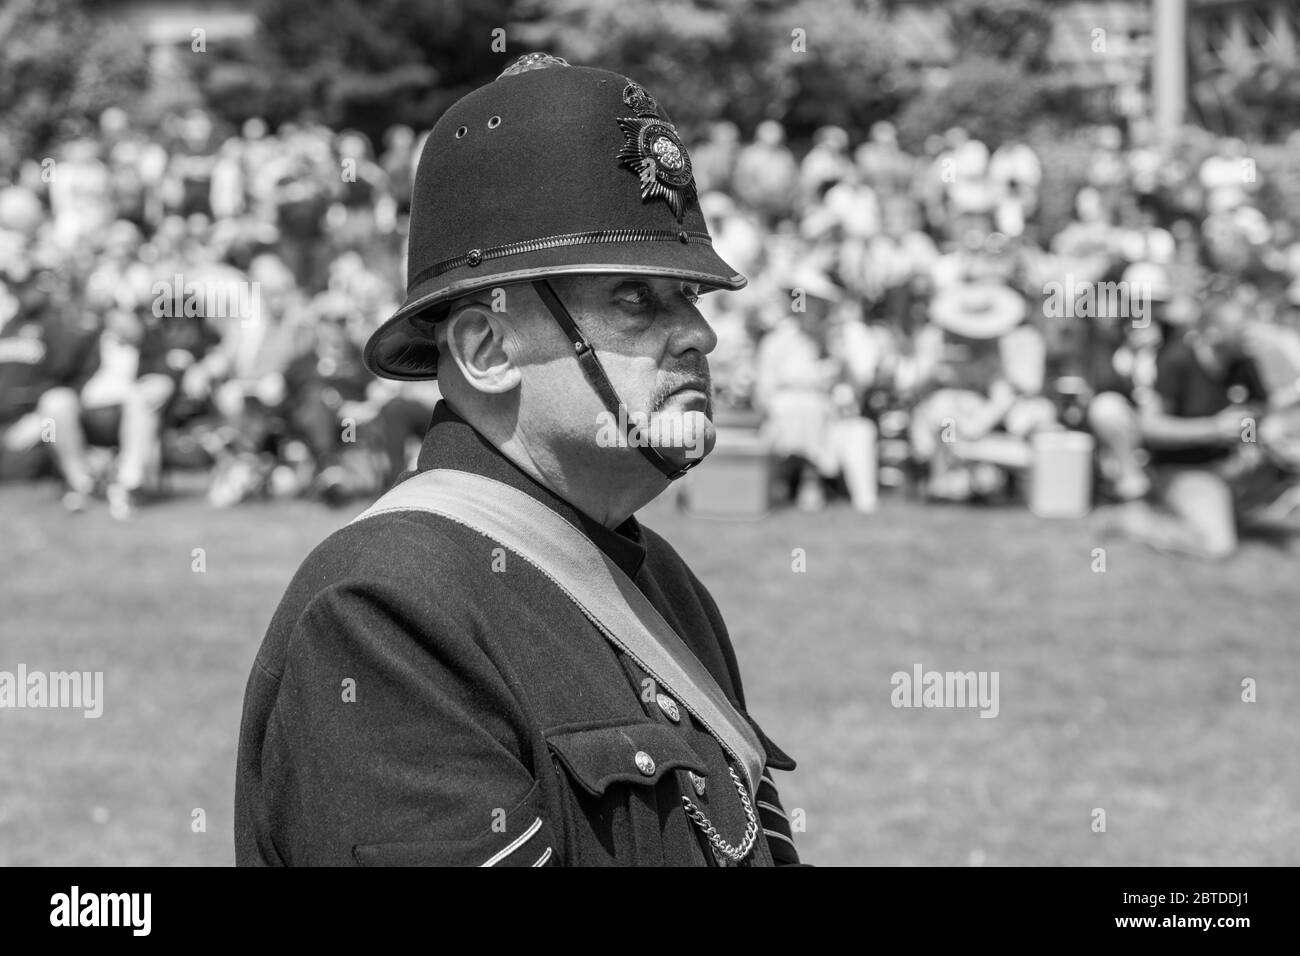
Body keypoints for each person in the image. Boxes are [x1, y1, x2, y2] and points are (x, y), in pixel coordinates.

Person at [235, 53, 801, 867]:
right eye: (636, 299)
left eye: (691, 298)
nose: (699, 336)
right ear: (487, 347)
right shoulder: (383, 611)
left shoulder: (664, 583)